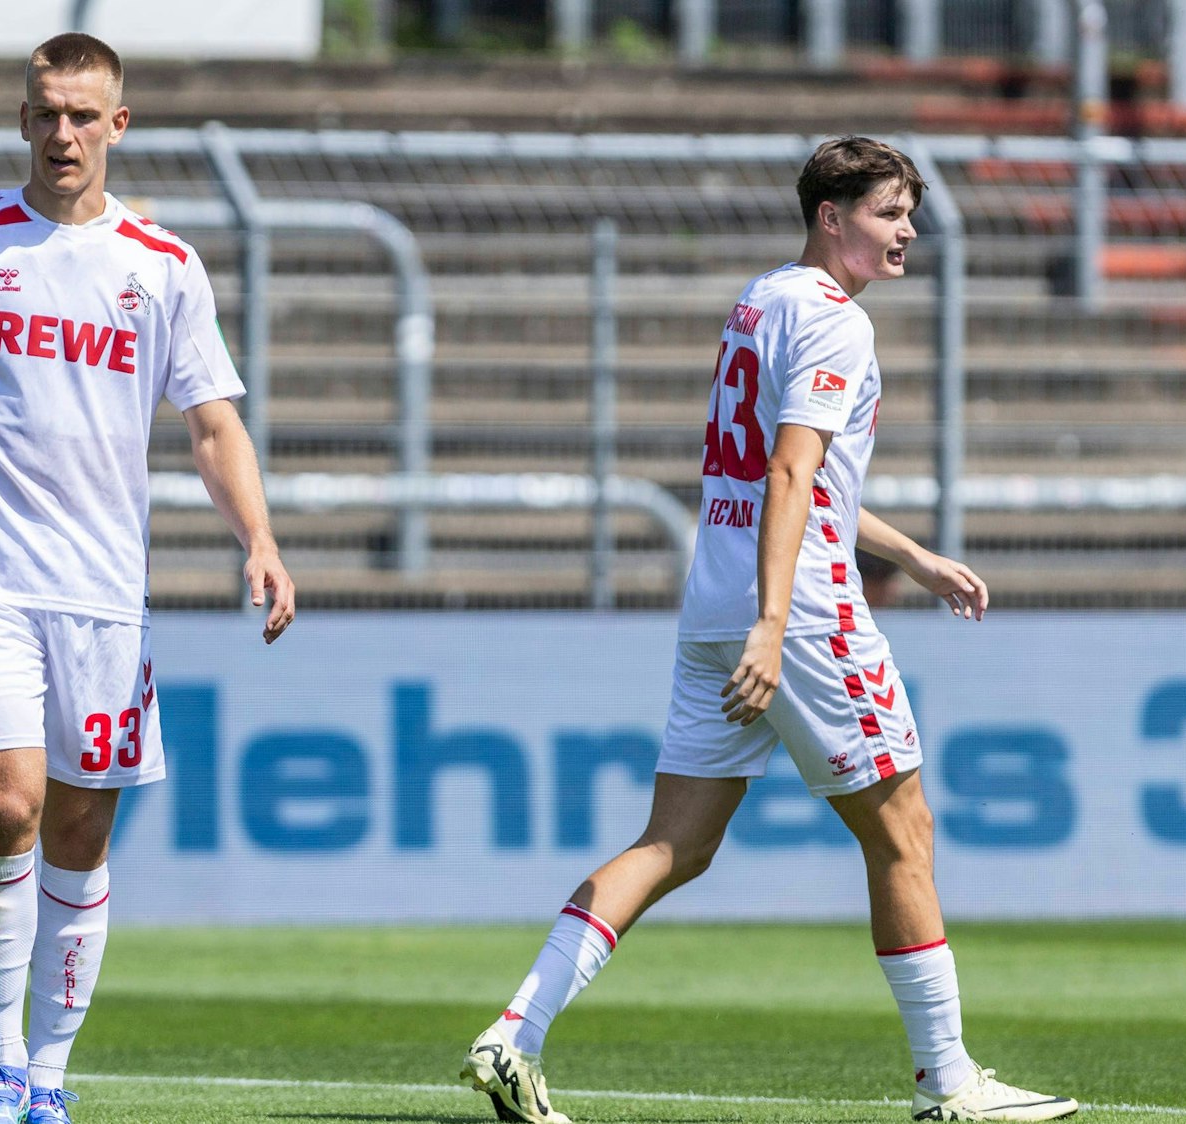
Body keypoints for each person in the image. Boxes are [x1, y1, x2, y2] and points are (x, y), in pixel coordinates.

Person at [458, 137, 1076, 1124]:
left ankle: (512, 1035)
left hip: (718, 600)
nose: (907, 228)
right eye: (886, 211)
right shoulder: (837, 324)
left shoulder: (761, 300)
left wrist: (910, 555)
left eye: (908, 210)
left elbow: (791, 473)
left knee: (674, 841)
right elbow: (789, 471)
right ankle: (949, 1079)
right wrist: (775, 619)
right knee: (902, 832)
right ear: (831, 216)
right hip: (796, 614)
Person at [0, 31, 295, 1124]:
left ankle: (47, 1071)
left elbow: (213, 422)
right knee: (11, 799)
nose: (63, 132)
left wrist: (258, 538)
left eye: (84, 114)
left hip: (102, 594)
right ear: (21, 120)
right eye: (45, 112)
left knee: (81, 830)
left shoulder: (162, 265)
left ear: (117, 125)